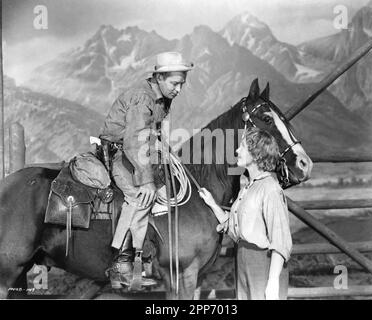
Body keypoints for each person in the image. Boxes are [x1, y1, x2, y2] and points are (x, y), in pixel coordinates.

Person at [100, 52, 193, 290]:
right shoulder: (143, 99)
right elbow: (133, 142)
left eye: (182, 83)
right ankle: (120, 264)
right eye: (175, 83)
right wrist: (147, 180)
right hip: (122, 153)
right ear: (159, 77)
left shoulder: (162, 98)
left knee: (168, 196)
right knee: (138, 196)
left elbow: (154, 135)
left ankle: (151, 256)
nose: (179, 89)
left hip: (143, 152)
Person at [199, 127, 292, 300]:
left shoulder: (270, 189)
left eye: (242, 147)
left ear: (256, 154)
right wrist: (212, 203)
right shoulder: (248, 187)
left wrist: (272, 281)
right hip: (242, 259)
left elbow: (280, 241)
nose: (237, 150)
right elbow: (235, 228)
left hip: (262, 263)